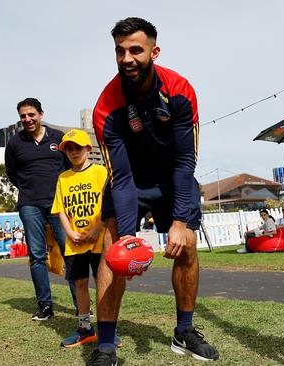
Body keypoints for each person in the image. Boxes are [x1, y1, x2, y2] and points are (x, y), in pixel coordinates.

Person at [90, 17, 219, 365]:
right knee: (112, 249)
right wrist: (127, 239)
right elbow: (121, 176)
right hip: (130, 178)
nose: (127, 58)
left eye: (135, 50)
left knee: (187, 243)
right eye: (120, 51)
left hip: (172, 174)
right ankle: (104, 344)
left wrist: (179, 221)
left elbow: (184, 161)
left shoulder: (180, 90)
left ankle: (184, 332)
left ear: (154, 51)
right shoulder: (106, 106)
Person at [5, 97, 77, 320]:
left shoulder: (58, 138)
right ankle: (45, 305)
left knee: (69, 252)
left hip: (59, 205)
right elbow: (11, 173)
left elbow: (69, 167)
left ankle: (81, 304)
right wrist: (28, 189)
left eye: (31, 114)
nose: (27, 119)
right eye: (23, 116)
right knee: (37, 256)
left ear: (41, 114)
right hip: (29, 205)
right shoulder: (14, 143)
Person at [51, 129, 111, 348]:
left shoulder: (100, 172)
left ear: (88, 148)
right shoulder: (63, 178)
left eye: (78, 147)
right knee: (80, 284)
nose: (73, 152)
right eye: (69, 148)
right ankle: (85, 328)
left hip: (99, 239)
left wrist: (98, 228)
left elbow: (108, 204)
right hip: (74, 243)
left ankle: (108, 329)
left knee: (103, 283)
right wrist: (70, 232)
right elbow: (60, 210)